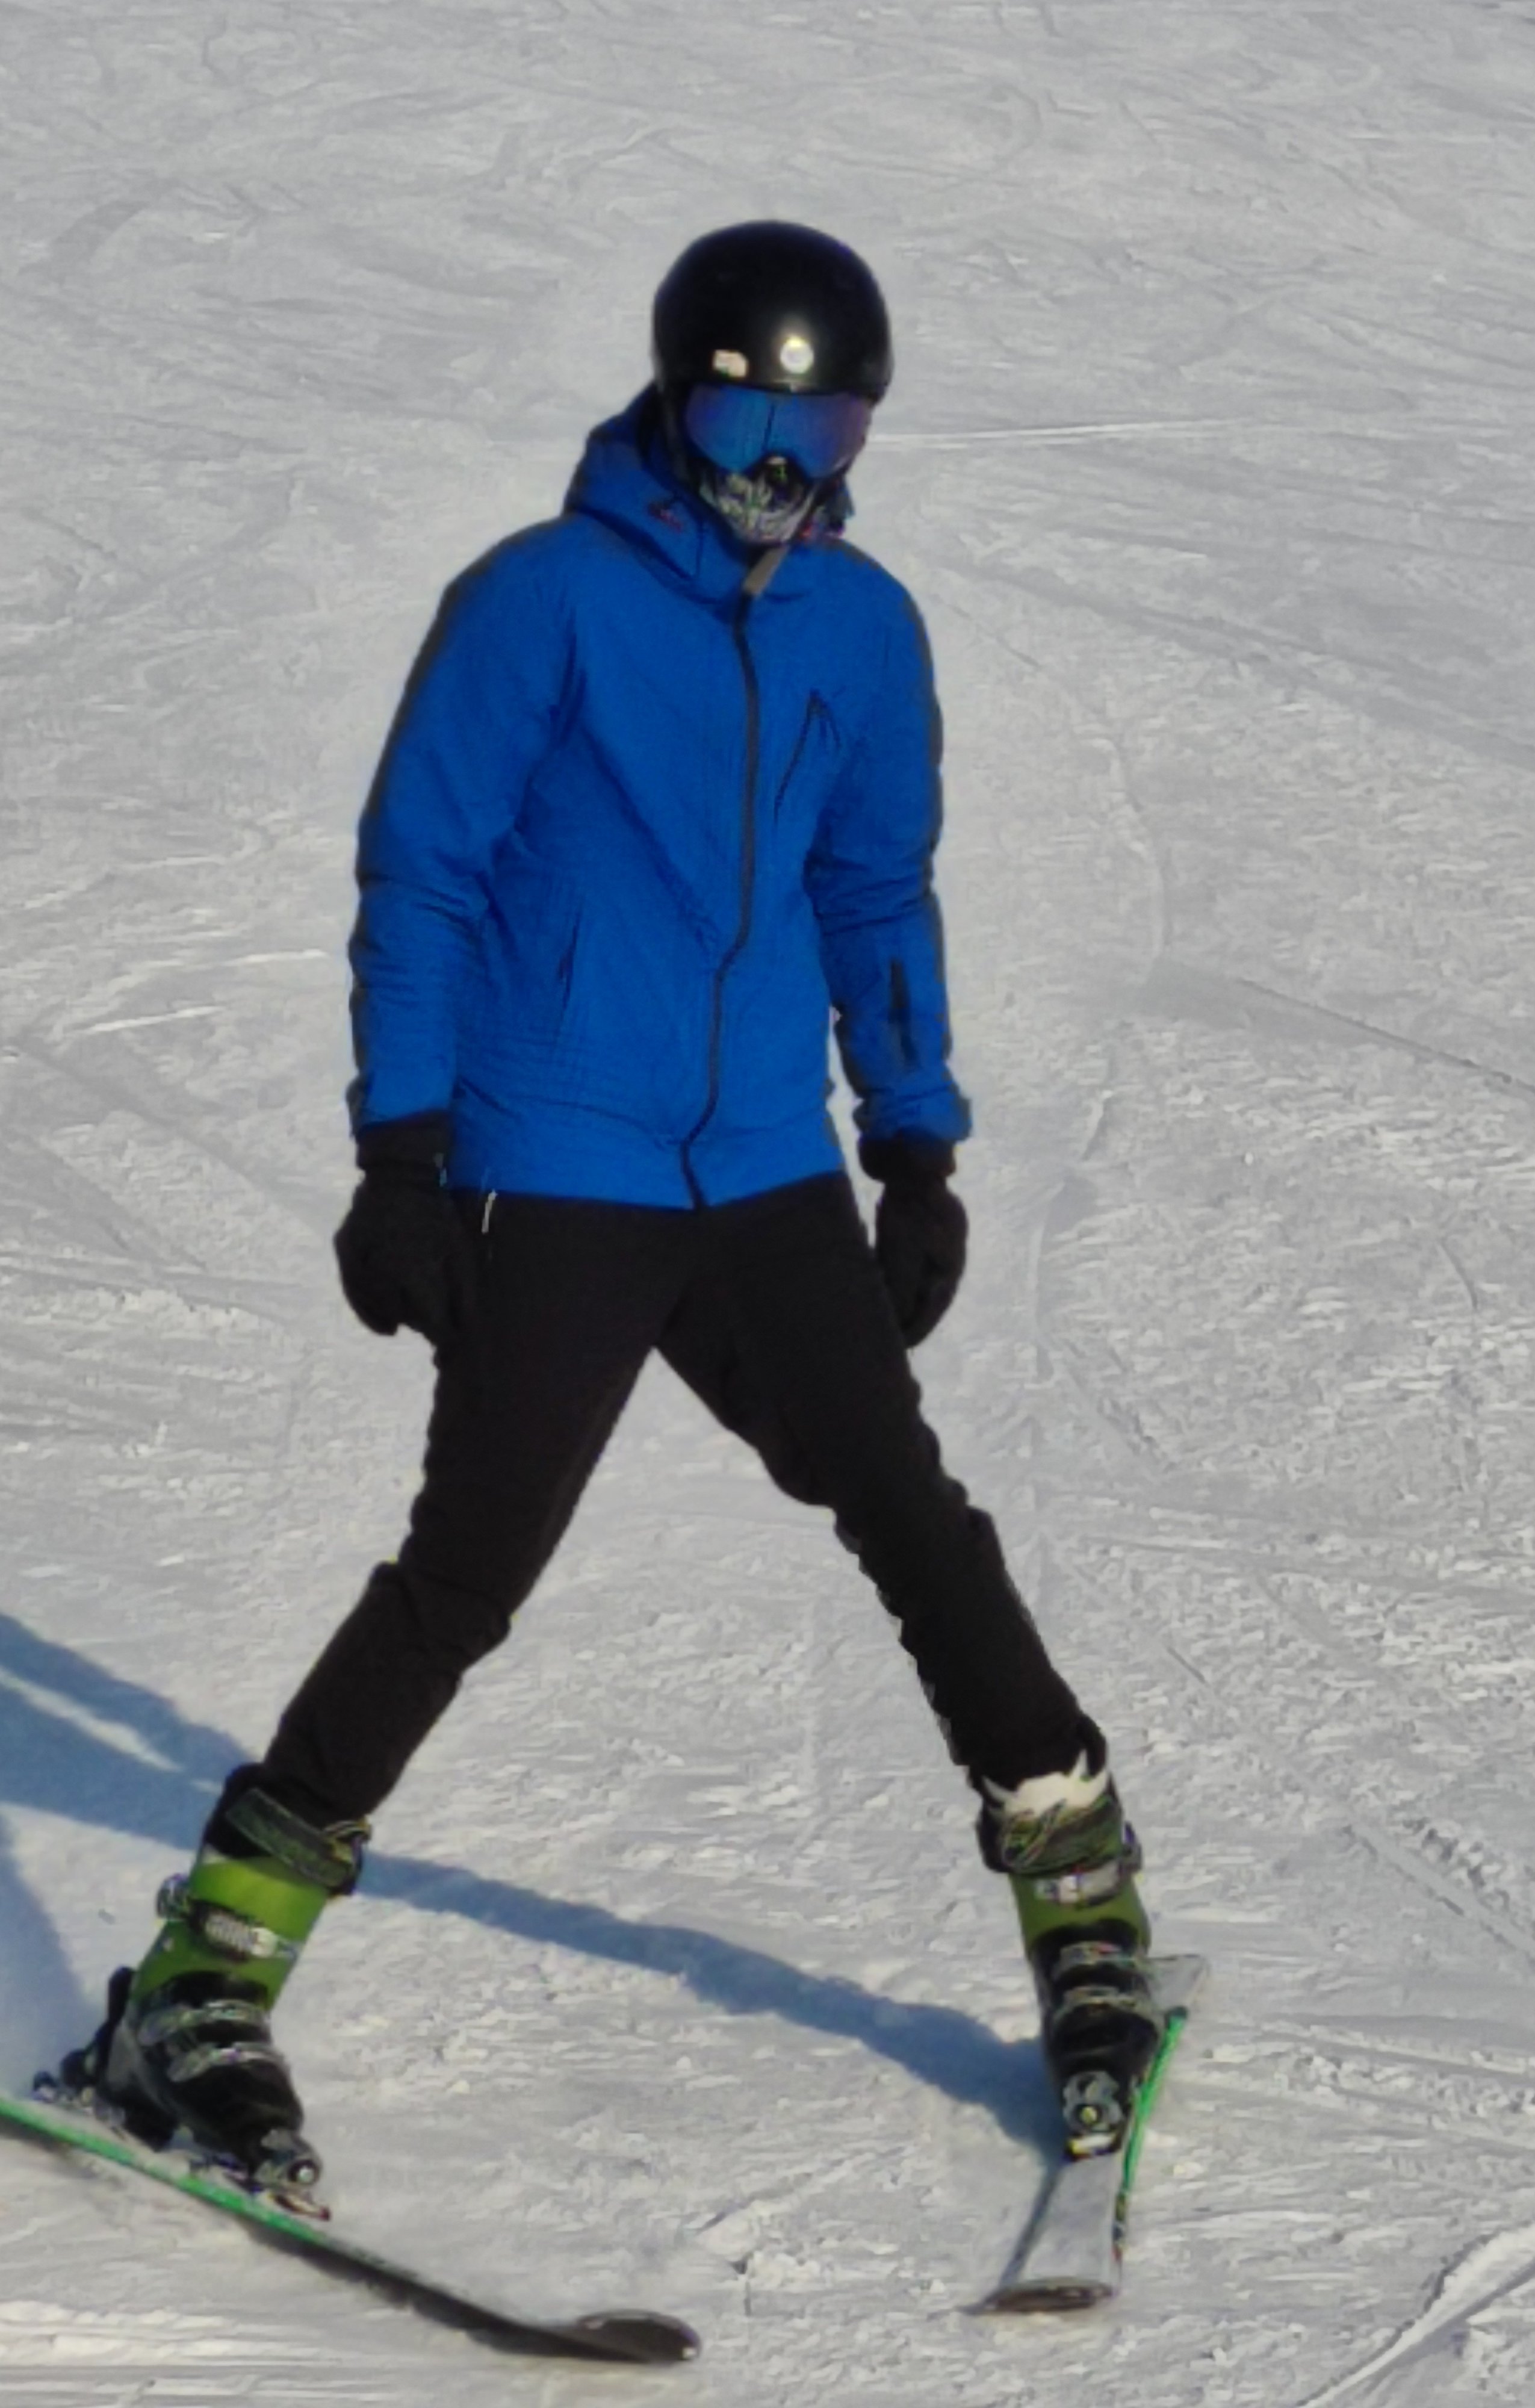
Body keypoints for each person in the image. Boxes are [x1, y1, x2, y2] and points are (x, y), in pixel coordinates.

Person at [65, 223, 1159, 2187]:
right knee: (468, 1575)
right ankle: (198, 1982)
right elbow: (424, 874)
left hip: (765, 1170)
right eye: (745, 418)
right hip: (553, 1159)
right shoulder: (540, 600)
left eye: (825, 427)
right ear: (675, 397)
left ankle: (1084, 1902)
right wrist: (404, 1154)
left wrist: (913, 1145)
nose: (779, 462)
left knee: (913, 1517)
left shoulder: (863, 628)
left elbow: (874, 894)